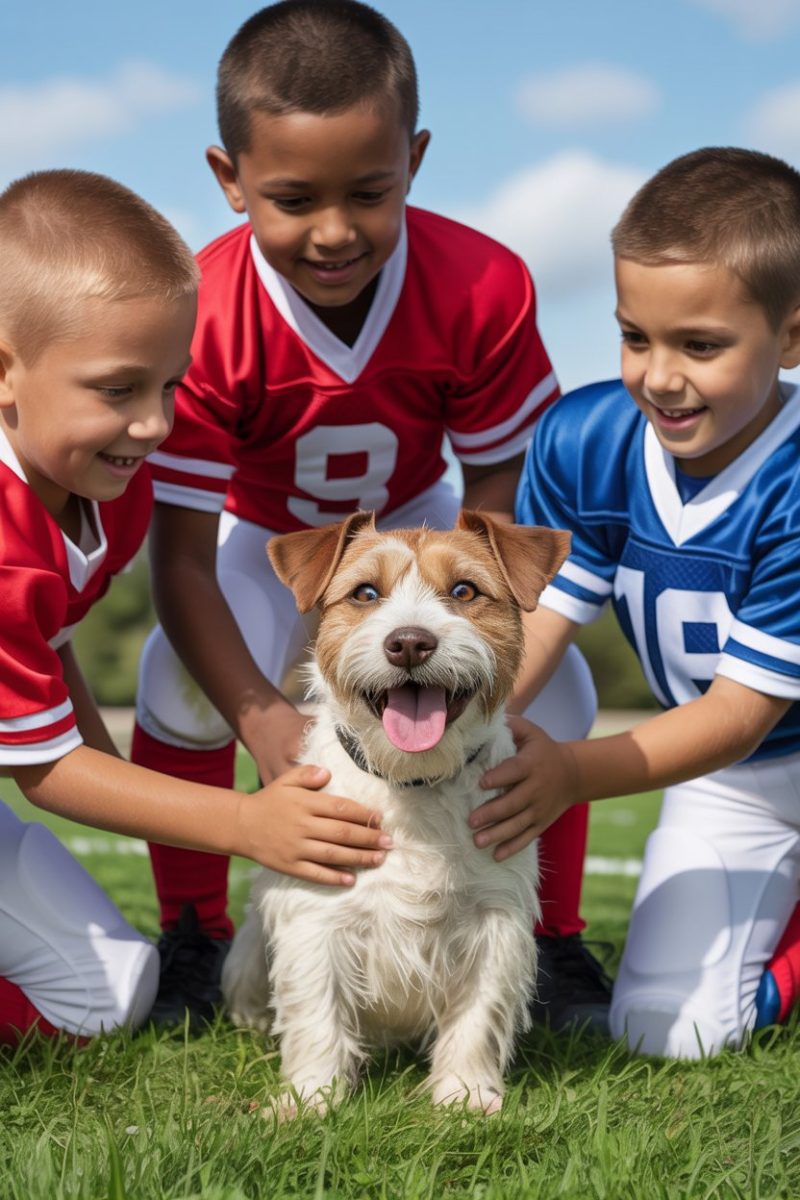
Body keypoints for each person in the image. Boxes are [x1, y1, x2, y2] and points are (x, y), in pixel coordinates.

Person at [130, 0, 605, 1030]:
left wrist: (478, 650)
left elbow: (493, 500)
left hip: (427, 524)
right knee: (174, 678)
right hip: (263, 537)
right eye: (293, 198)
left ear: (415, 160)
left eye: (371, 192)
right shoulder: (202, 308)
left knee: (554, 686)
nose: (335, 230)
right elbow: (180, 565)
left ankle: (552, 937)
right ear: (228, 179)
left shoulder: (478, 281)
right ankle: (194, 932)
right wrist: (267, 725)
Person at [0, 169, 390, 1045]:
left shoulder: (107, 483)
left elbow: (51, 649)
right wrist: (248, 823)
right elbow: (45, 771)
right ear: (4, 372)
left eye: (170, 386)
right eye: (117, 389)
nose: (154, 424)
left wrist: (133, 790)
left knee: (111, 994)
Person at [471, 146, 800, 1058]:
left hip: (741, 734)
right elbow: (538, 619)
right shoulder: (587, 438)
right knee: (667, 1033)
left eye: (701, 345)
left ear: (794, 338)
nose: (658, 375)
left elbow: (737, 712)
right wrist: (462, 722)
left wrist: (571, 772)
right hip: (739, 781)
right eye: (634, 336)